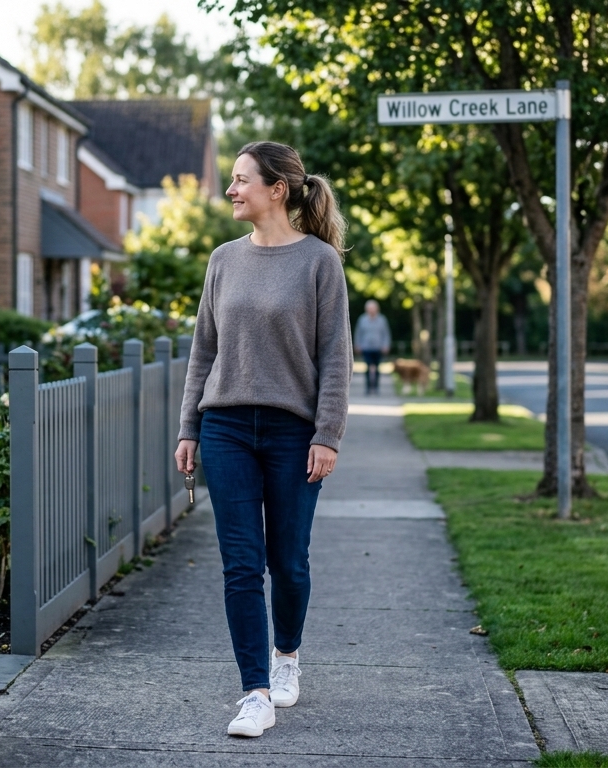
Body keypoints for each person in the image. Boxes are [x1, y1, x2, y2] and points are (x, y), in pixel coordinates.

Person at [174, 141, 352, 738]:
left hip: (292, 431)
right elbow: (204, 350)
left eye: (241, 179)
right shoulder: (223, 260)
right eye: (231, 179)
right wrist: (189, 428)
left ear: (277, 189)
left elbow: (335, 358)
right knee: (241, 564)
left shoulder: (320, 263)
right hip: (226, 427)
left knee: (289, 562)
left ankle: (287, 657)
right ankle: (255, 692)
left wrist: (327, 434)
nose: (231, 189)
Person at [354, 300, 391, 395]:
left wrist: (386, 345)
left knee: (377, 368)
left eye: (372, 308)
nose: (371, 310)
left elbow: (386, 333)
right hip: (366, 347)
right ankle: (368, 388)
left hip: (378, 347)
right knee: (368, 367)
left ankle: (376, 387)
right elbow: (358, 333)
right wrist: (357, 344)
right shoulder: (362, 319)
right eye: (369, 308)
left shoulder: (382, 319)